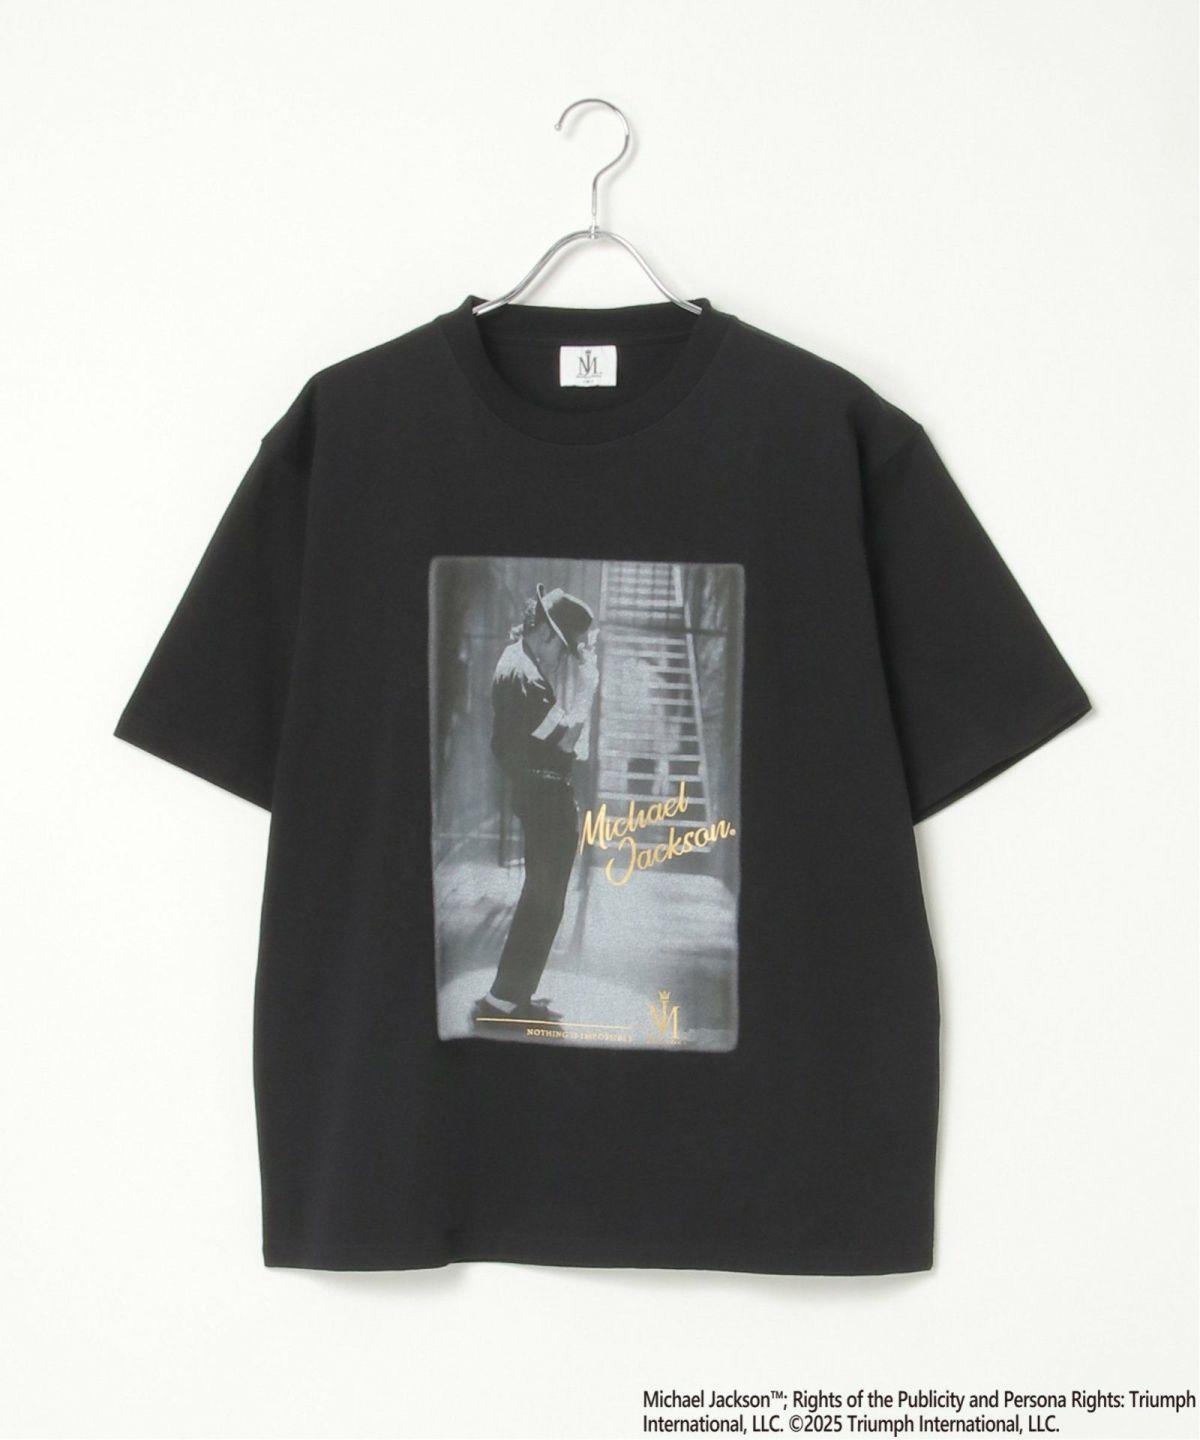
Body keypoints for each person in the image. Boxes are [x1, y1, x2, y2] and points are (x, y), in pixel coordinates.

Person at [473, 583, 600, 1031]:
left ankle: (512, 997)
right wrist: (587, 690)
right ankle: (505, 1000)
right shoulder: (524, 676)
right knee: (543, 903)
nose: (562, 660)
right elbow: (565, 740)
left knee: (542, 901)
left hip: (541, 796)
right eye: (564, 649)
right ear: (546, 634)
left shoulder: (518, 664)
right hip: (545, 800)